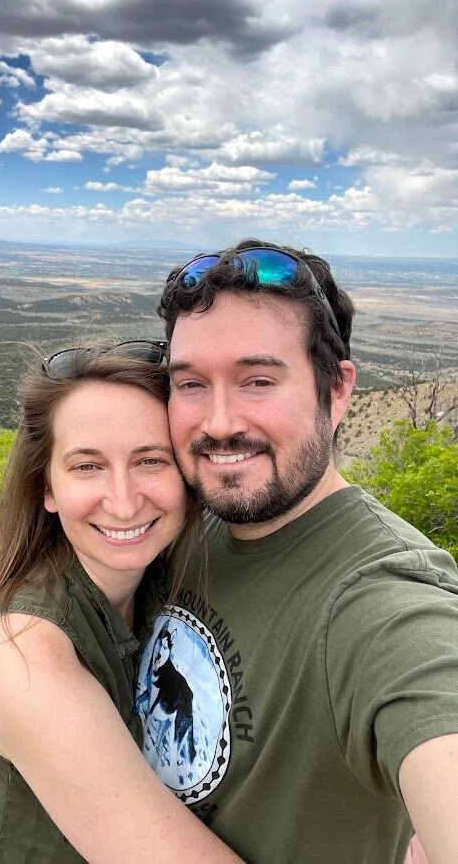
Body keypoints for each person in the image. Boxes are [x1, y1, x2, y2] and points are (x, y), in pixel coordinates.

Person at [135, 239, 458, 863]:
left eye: (258, 380)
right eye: (191, 384)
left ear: (335, 392)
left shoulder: (382, 600)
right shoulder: (179, 519)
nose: (219, 422)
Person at [0, 345, 245, 863]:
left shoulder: (146, 569)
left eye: (151, 460)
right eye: (87, 466)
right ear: (48, 487)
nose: (124, 499)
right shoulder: (22, 657)